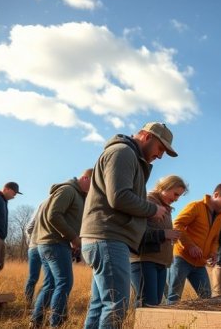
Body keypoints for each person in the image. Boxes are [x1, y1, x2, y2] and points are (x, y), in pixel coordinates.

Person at [80, 122, 177, 329]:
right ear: (146, 136)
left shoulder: (129, 155)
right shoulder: (123, 152)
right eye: (160, 148)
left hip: (106, 238)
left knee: (99, 305)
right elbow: (119, 197)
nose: (160, 156)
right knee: (117, 304)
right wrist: (153, 210)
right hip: (108, 237)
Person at [30, 169, 93, 328]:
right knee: (64, 283)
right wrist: (73, 237)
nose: (93, 189)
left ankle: (36, 322)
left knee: (50, 284)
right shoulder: (68, 190)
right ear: (85, 178)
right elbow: (54, 215)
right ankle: (55, 324)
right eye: (93, 184)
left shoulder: (77, 194)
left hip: (52, 243)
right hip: (54, 244)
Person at [167, 183, 221, 304]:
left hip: (199, 263)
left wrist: (213, 253)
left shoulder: (220, 217)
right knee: (174, 296)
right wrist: (190, 246)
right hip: (181, 258)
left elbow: (215, 239)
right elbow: (177, 224)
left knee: (206, 297)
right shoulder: (196, 206)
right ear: (215, 195)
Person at [130, 175, 187, 307]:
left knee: (155, 304)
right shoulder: (146, 201)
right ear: (165, 187)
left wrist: (169, 235)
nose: (176, 199)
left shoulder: (166, 207)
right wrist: (164, 234)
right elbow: (136, 231)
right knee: (147, 304)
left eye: (179, 196)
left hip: (161, 262)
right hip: (144, 260)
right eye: (175, 194)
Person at [24, 201, 46, 306]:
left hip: (34, 247)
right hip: (45, 246)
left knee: (32, 277)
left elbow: (28, 228)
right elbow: (29, 228)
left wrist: (32, 241)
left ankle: (29, 303)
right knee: (49, 278)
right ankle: (39, 303)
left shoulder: (40, 205)